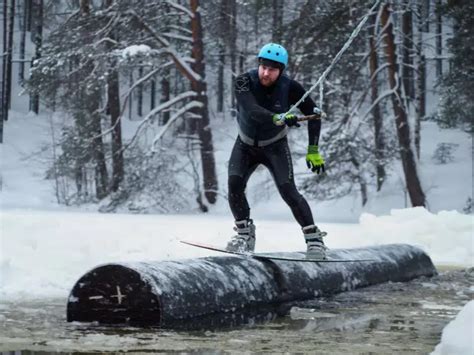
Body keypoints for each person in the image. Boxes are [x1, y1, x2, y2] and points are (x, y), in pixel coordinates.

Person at [226, 43, 327, 259]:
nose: (266, 72)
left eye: (272, 69)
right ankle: (244, 235)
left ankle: (314, 239)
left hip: (275, 146)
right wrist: (277, 117)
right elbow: (250, 108)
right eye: (263, 67)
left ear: (281, 70)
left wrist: (313, 150)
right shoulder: (244, 81)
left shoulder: (290, 87)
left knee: (288, 191)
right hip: (245, 145)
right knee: (234, 185)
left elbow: (314, 114)